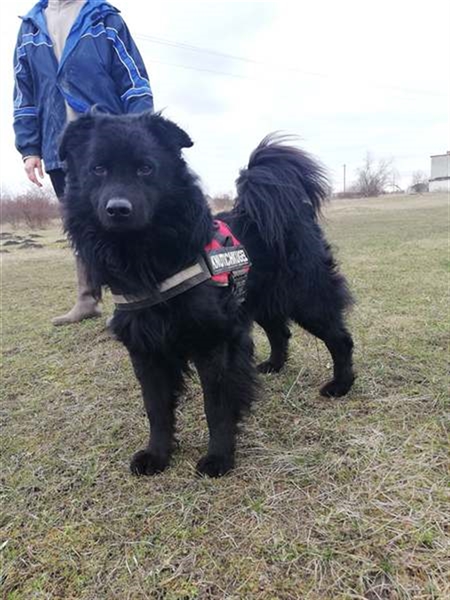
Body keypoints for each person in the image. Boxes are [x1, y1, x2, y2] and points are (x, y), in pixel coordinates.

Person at [13, 0, 154, 325]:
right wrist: (29, 148)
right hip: (60, 144)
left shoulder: (103, 17)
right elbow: (24, 93)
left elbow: (133, 79)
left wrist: (140, 130)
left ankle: (133, 298)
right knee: (81, 224)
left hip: (110, 143)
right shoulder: (30, 27)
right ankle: (87, 298)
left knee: (123, 217)